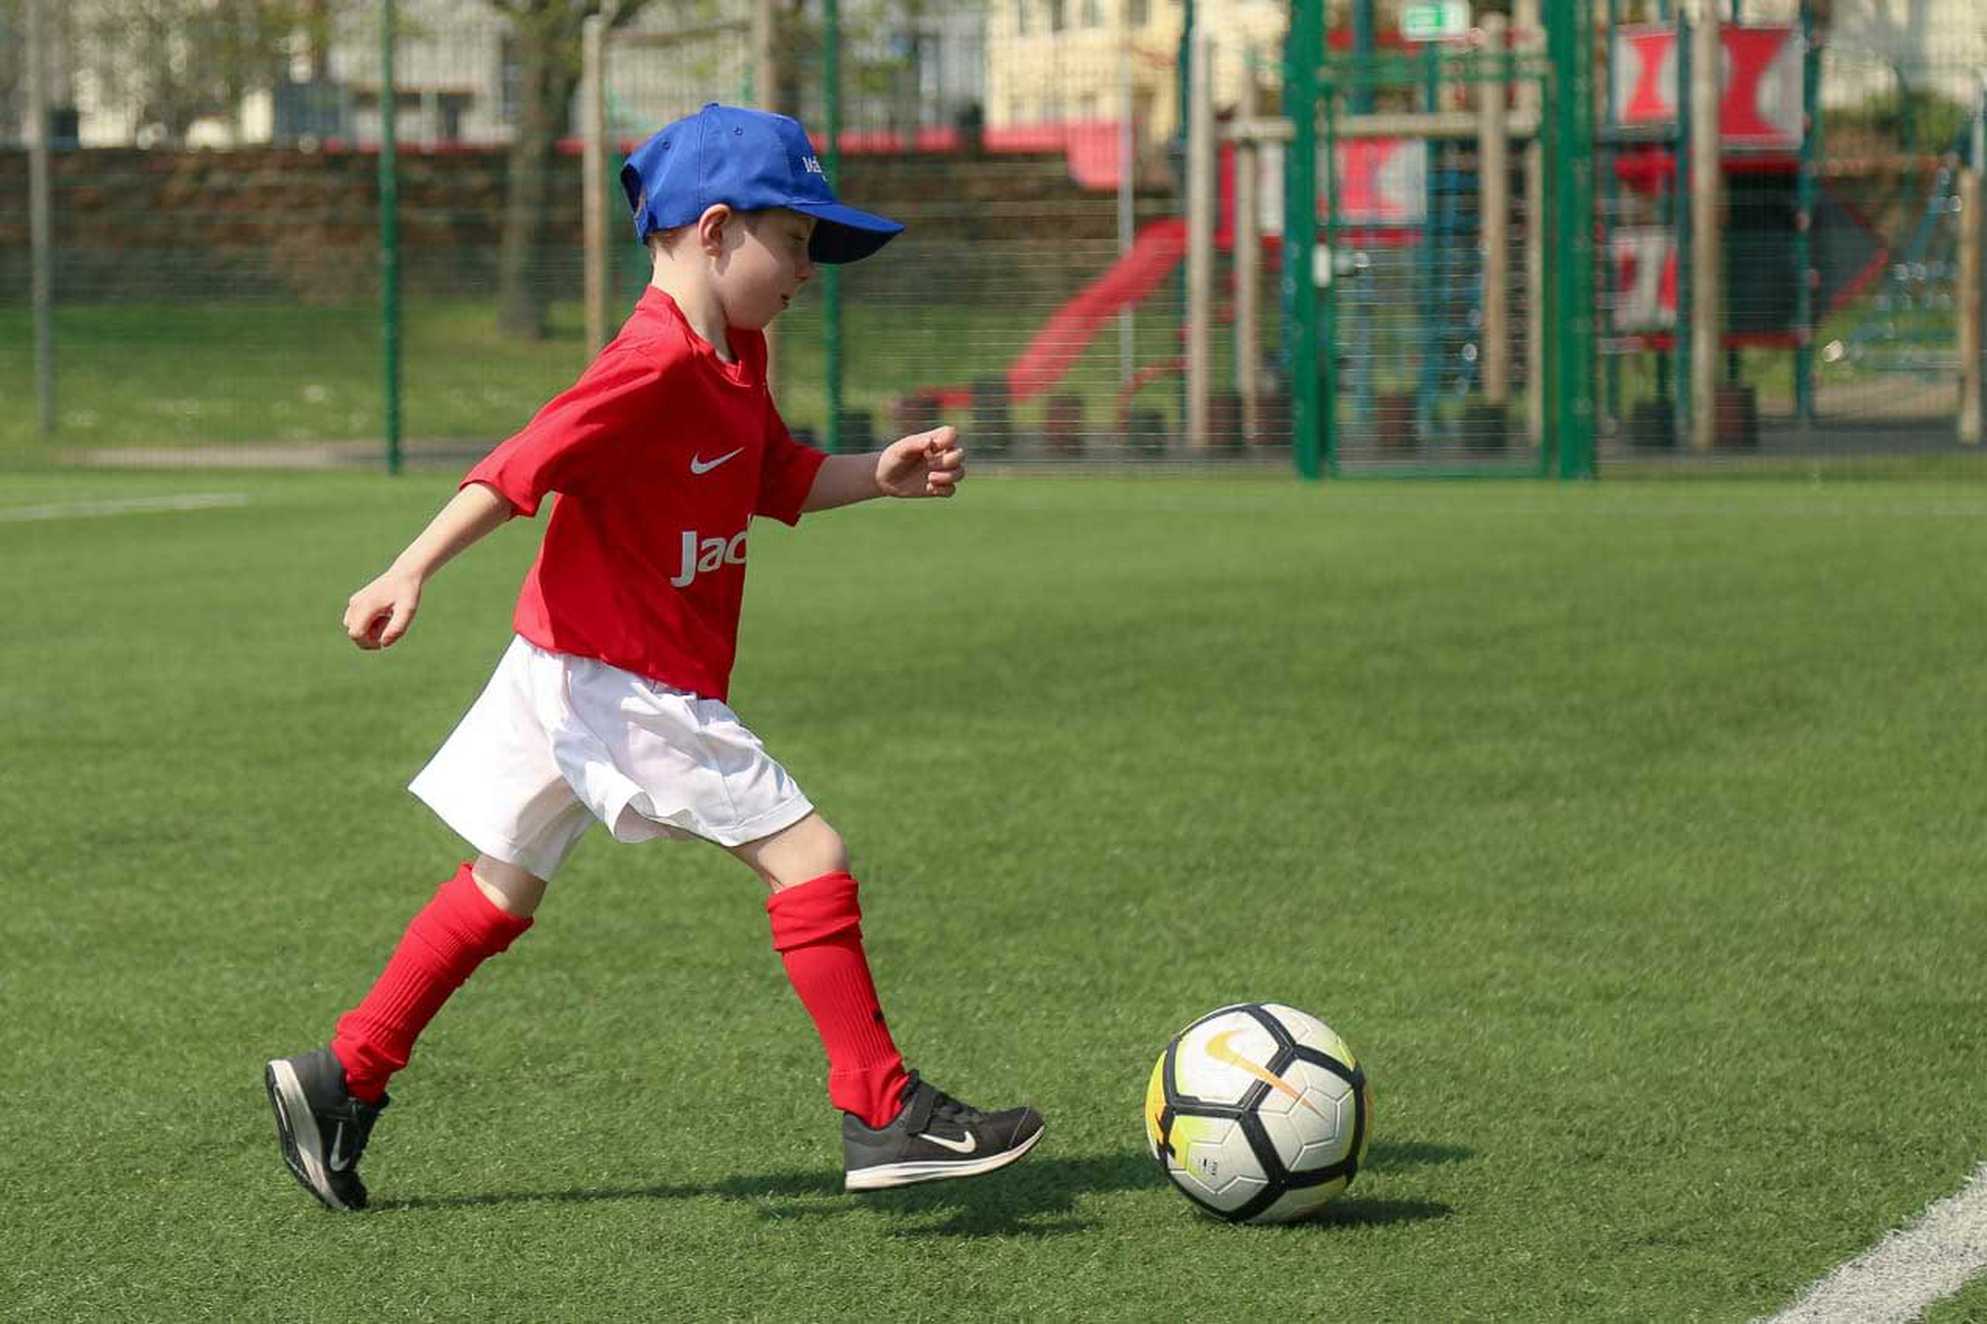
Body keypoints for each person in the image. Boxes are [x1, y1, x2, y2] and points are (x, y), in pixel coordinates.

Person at [264, 103, 1044, 1213]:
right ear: (716, 230)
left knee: (500, 890)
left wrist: (874, 471)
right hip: (619, 676)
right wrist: (409, 569)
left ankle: (343, 1077)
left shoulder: (736, 351)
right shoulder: (650, 363)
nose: (809, 271)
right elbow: (517, 466)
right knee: (809, 854)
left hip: (563, 661)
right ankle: (878, 1109)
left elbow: (768, 476)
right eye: (799, 242)